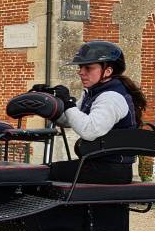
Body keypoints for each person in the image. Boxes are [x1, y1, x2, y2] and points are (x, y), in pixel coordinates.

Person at [45, 40, 148, 184]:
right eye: (81, 67)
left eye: (88, 67)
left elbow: (89, 130)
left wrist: (68, 102)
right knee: (43, 171)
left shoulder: (111, 97)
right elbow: (69, 120)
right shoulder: (93, 93)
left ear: (108, 71)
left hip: (111, 170)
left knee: (42, 173)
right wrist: (48, 103)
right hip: (98, 165)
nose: (81, 72)